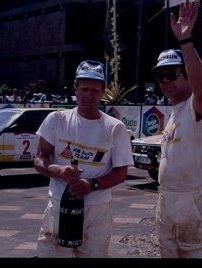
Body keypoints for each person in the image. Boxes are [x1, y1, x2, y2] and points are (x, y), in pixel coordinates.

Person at [34, 60, 134, 258]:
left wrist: (92, 184)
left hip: (97, 211)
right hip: (59, 206)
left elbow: (121, 173)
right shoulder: (57, 119)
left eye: (95, 90)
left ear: (104, 91)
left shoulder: (115, 128)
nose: (89, 95)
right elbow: (39, 159)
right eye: (84, 88)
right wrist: (58, 171)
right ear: (75, 87)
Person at [152, 0, 202, 258]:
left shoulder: (196, 106)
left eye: (172, 74)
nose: (165, 81)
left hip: (193, 202)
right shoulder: (174, 112)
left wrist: (185, 40)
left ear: (186, 75)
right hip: (167, 200)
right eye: (161, 77)